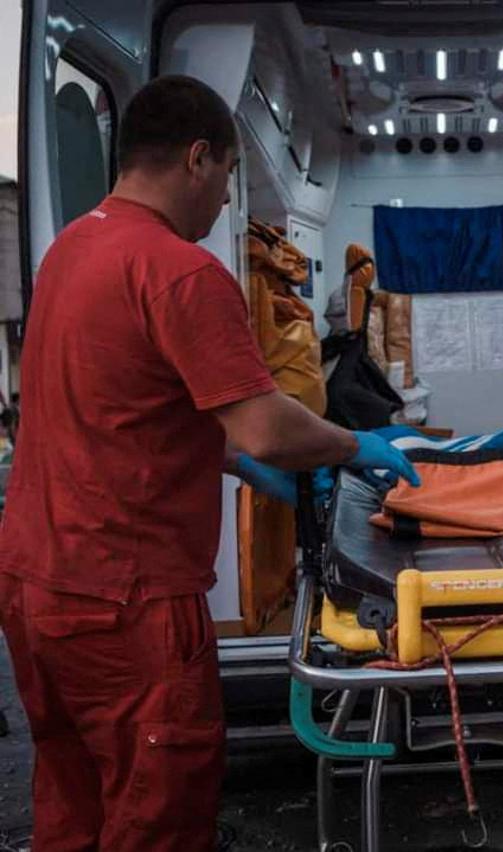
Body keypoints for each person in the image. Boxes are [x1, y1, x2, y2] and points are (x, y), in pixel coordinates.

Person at [0, 76, 418, 851]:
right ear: (198, 159)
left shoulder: (70, 252)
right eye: (228, 176)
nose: (227, 201)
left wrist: (231, 463)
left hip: (35, 586)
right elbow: (266, 425)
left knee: (73, 792)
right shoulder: (181, 272)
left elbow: (125, 411)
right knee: (159, 809)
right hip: (128, 599)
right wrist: (354, 444)